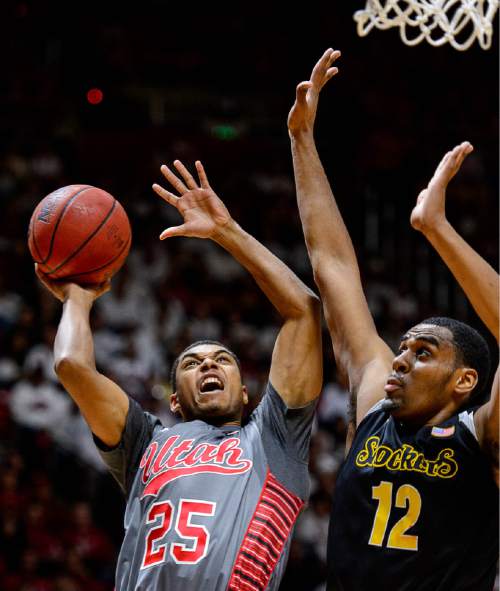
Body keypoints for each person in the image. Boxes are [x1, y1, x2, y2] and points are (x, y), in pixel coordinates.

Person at [36, 159, 323, 590]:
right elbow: (71, 365)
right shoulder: (146, 442)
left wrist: (226, 231)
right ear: (174, 400)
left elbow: (304, 310)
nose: (208, 363)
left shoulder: (273, 438)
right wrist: (77, 295)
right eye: (192, 363)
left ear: (247, 394)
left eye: (223, 359)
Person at [288, 49, 498, 591]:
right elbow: (332, 268)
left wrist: (436, 228)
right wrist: (302, 142)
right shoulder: (374, 407)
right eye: (404, 347)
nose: (400, 358)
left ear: (466, 380)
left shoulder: (483, 436)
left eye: (424, 352)